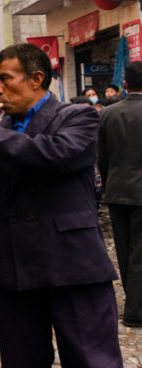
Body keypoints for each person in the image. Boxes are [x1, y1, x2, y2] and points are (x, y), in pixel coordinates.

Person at [0, 43, 122, 366]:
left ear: (36, 78)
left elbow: (54, 155)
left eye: (5, 79)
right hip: (15, 269)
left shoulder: (77, 116)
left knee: (91, 360)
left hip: (73, 266)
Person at [98, 61, 142, 328]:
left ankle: (132, 301)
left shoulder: (107, 114)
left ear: (125, 84)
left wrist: (108, 184)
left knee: (124, 249)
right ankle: (135, 310)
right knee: (139, 250)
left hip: (116, 190)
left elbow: (101, 157)